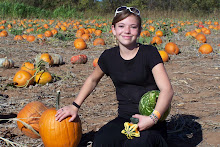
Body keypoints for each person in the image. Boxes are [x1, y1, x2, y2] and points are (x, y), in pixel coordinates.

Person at [55, 6, 174, 147]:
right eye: (121, 26)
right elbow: (92, 80)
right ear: (113, 30)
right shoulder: (108, 57)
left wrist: (152, 119)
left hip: (152, 123)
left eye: (133, 26)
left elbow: (167, 90)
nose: (127, 31)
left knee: (139, 144)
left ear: (140, 30)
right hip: (124, 119)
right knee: (100, 142)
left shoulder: (149, 53)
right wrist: (75, 106)